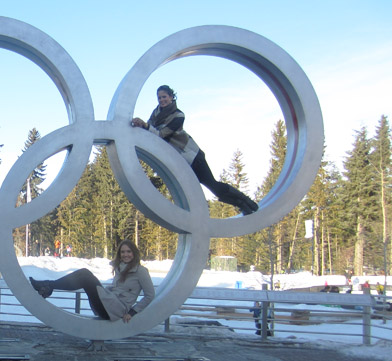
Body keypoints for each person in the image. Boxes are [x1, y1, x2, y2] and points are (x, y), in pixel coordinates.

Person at [131, 85, 259, 215]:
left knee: (212, 185)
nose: (161, 100)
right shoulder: (156, 113)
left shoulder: (178, 115)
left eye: (164, 97)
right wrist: (140, 125)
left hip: (192, 156)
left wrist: (145, 125)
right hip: (180, 160)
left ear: (171, 97)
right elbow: (149, 131)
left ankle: (246, 203)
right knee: (187, 190)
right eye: (159, 98)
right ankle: (244, 205)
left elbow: (161, 134)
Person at [29, 240, 155, 322]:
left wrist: (133, 312)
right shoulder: (119, 267)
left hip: (117, 310)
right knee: (84, 273)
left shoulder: (141, 271)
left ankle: (47, 286)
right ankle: (48, 286)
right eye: (122, 252)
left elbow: (150, 295)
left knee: (86, 277)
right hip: (107, 303)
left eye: (128, 252)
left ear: (134, 253)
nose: (125, 254)